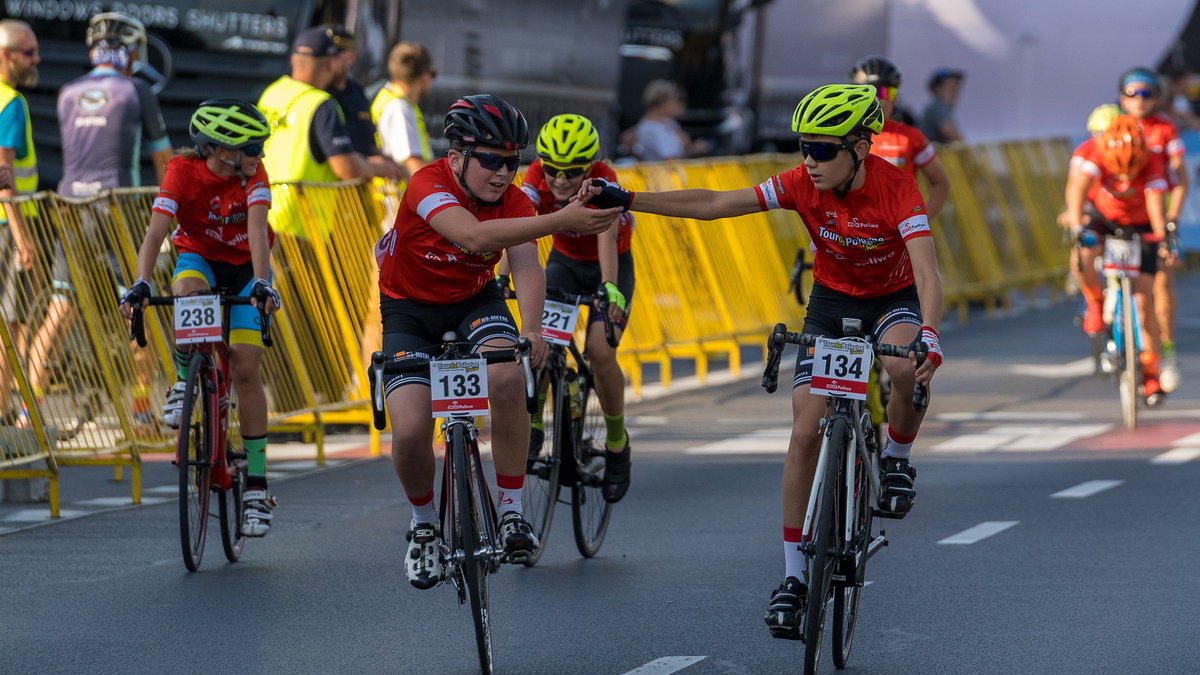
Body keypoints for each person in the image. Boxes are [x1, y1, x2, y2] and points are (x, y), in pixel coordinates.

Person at [582, 84, 942, 638]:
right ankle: (795, 578)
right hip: (831, 301)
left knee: (900, 368)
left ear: (861, 149)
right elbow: (713, 205)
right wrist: (629, 199)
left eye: (823, 150)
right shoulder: (802, 183)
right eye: (804, 147)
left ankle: (896, 457)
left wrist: (930, 335)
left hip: (892, 299)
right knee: (804, 431)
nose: (810, 161)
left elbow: (926, 272)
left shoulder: (897, 190)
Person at [373, 94, 621, 588]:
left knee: (509, 375)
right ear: (458, 157)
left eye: (512, 161)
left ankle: (510, 512)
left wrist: (531, 331)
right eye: (491, 160)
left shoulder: (514, 200)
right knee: (409, 429)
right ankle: (424, 526)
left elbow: (527, 263)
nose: (504, 172)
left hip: (474, 301)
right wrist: (561, 220)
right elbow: (476, 238)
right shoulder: (427, 183)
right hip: (409, 309)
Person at [119, 99, 282, 535]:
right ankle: (182, 379)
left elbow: (256, 230)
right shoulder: (182, 171)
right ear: (220, 148)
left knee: (247, 367)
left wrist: (263, 282)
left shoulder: (254, 175)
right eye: (252, 146)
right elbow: (156, 231)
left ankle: (257, 487)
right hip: (200, 257)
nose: (259, 155)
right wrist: (141, 281)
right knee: (186, 290)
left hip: (248, 266)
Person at [519, 113, 636, 502]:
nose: (560, 179)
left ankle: (617, 444)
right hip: (564, 264)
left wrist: (608, 289)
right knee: (540, 343)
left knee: (600, 352)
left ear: (588, 166)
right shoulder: (536, 175)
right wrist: (502, 276)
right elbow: (515, 225)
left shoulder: (604, 177)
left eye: (571, 171)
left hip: (609, 264)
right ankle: (534, 424)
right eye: (552, 169)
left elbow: (605, 234)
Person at [1063, 114, 1172, 405]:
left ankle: (1150, 372)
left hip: (1142, 223)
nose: (1124, 179)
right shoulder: (1093, 153)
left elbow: (1156, 207)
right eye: (1118, 171)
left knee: (1143, 301)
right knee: (1083, 253)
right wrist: (1076, 228)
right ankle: (1095, 301)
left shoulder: (1153, 160)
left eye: (1131, 171)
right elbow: (1076, 192)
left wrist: (1162, 238)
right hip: (1104, 218)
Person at [257, 25, 402, 236]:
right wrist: (378, 169)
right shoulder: (321, 104)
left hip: (263, 216)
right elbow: (347, 168)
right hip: (302, 224)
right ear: (330, 63)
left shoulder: (273, 93)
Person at [1118, 67, 1184, 391]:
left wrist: (1171, 217)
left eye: (1146, 94)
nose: (1139, 100)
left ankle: (1166, 351)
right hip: (1121, 216)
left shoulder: (1164, 129)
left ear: (1155, 98)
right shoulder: (1114, 128)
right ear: (1122, 98)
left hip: (1157, 216)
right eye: (1132, 93)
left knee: (1161, 283)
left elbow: (1182, 180)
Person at [58, 12, 171, 197]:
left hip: (70, 199)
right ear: (132, 53)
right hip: (118, 206)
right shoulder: (137, 89)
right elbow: (163, 158)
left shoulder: (67, 92)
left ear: (93, 53)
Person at [0, 20, 42, 423]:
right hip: (6, 228)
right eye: (28, 52)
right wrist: (22, 237)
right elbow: (5, 176)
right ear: (5, 56)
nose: (37, 60)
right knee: (10, 324)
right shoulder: (10, 102)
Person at [849, 55, 951, 218]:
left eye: (885, 92)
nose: (878, 100)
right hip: (852, 234)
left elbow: (940, 183)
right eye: (868, 91)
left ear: (895, 98)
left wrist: (920, 222)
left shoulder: (912, 137)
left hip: (897, 235)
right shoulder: (840, 135)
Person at [322, 24, 402, 176]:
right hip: (325, 189)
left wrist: (388, 163)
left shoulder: (357, 93)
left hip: (358, 191)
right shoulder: (318, 95)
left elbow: (369, 142)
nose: (329, 63)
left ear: (351, 58)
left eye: (335, 57)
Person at [372, 41, 436, 177]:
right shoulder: (399, 107)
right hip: (397, 196)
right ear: (424, 77)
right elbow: (414, 164)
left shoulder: (389, 97)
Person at [628, 80, 711, 161]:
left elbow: (685, 145)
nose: (680, 105)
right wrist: (694, 150)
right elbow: (669, 160)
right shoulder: (648, 129)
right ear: (662, 103)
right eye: (676, 100)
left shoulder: (670, 123)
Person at [919, 68, 965, 143]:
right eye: (951, 89)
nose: (955, 92)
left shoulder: (936, 107)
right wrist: (970, 152)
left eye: (957, 88)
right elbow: (950, 133)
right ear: (937, 89)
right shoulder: (938, 106)